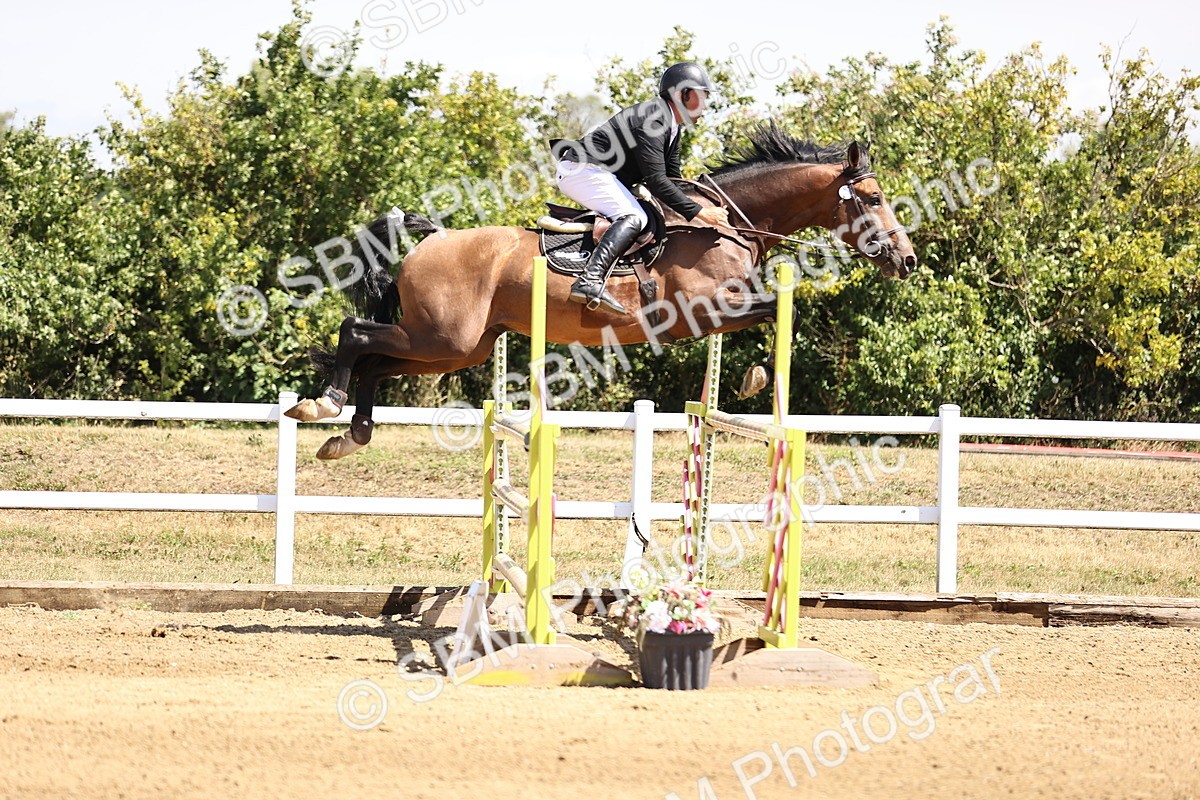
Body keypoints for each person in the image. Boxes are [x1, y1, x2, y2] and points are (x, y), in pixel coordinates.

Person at [551, 62, 730, 314]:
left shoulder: (672, 126)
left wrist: (705, 199)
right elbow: (657, 181)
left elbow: (673, 179)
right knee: (634, 216)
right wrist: (700, 212)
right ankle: (589, 280)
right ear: (683, 94)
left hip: (600, 172)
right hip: (582, 169)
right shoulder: (655, 117)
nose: (706, 105)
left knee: (645, 213)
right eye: (702, 97)